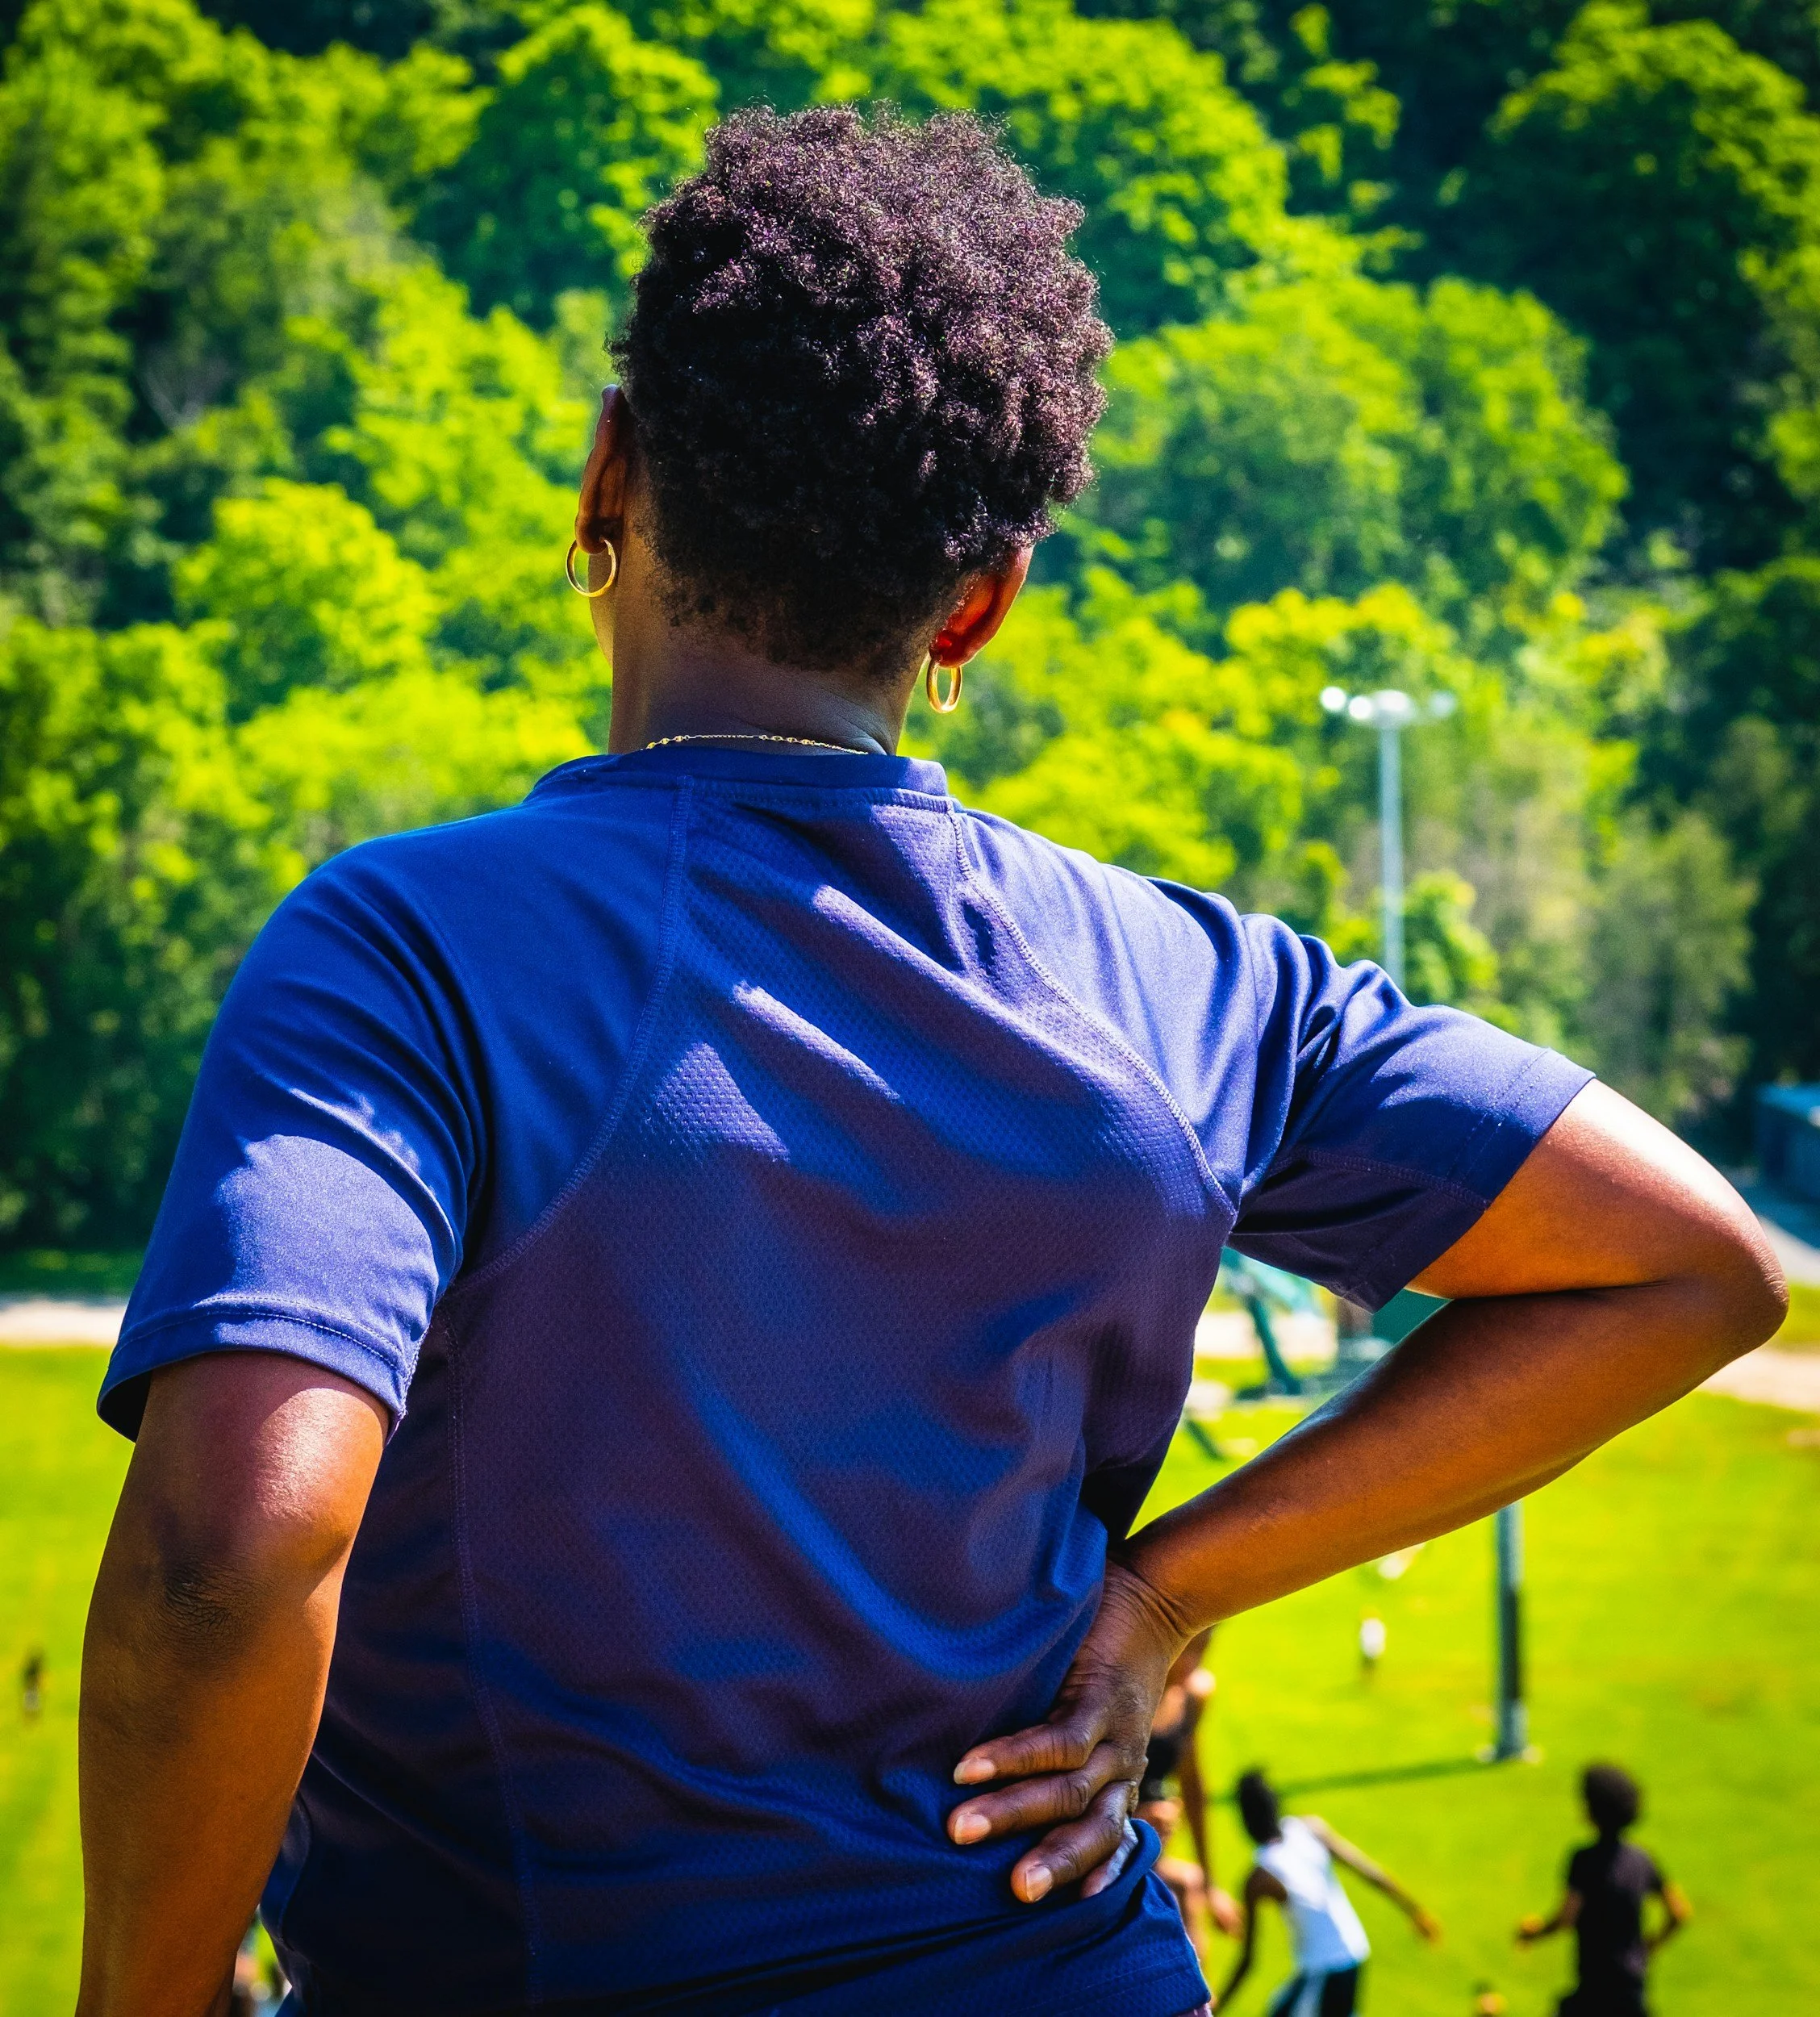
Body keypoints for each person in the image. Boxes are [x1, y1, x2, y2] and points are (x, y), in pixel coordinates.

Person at [74, 104, 1784, 2017]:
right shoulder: (1185, 985)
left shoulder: (401, 948)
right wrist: (1163, 1596)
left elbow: (236, 1546)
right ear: (981, 599)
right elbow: (1690, 1266)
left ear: (605, 478)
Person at [1215, 1769, 1437, 2015]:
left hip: (1325, 1966)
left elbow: (1248, 1960)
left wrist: (1214, 2007)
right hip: (1353, 1949)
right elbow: (1370, 1873)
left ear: (1245, 1821)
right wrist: (1415, 1911)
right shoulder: (1310, 1829)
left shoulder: (1258, 1879)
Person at [1518, 1764, 1690, 2015]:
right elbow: (1679, 1912)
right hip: (1632, 1988)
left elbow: (1566, 1919)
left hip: (1595, 1987)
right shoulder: (1642, 1860)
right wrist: (1651, 1946)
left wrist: (1535, 1932)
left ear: (1592, 1811)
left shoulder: (1584, 1860)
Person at [1137, 1629, 1241, 1955]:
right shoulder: (1126, 1695)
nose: (1195, 1664)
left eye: (1205, 1649)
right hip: (1106, 1837)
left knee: (1190, 1889)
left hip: (1154, 1847)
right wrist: (1135, 1818)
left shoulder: (1192, 1697)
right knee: (1184, 1888)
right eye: (1190, 1649)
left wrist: (1211, 1884)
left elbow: (1193, 1784)